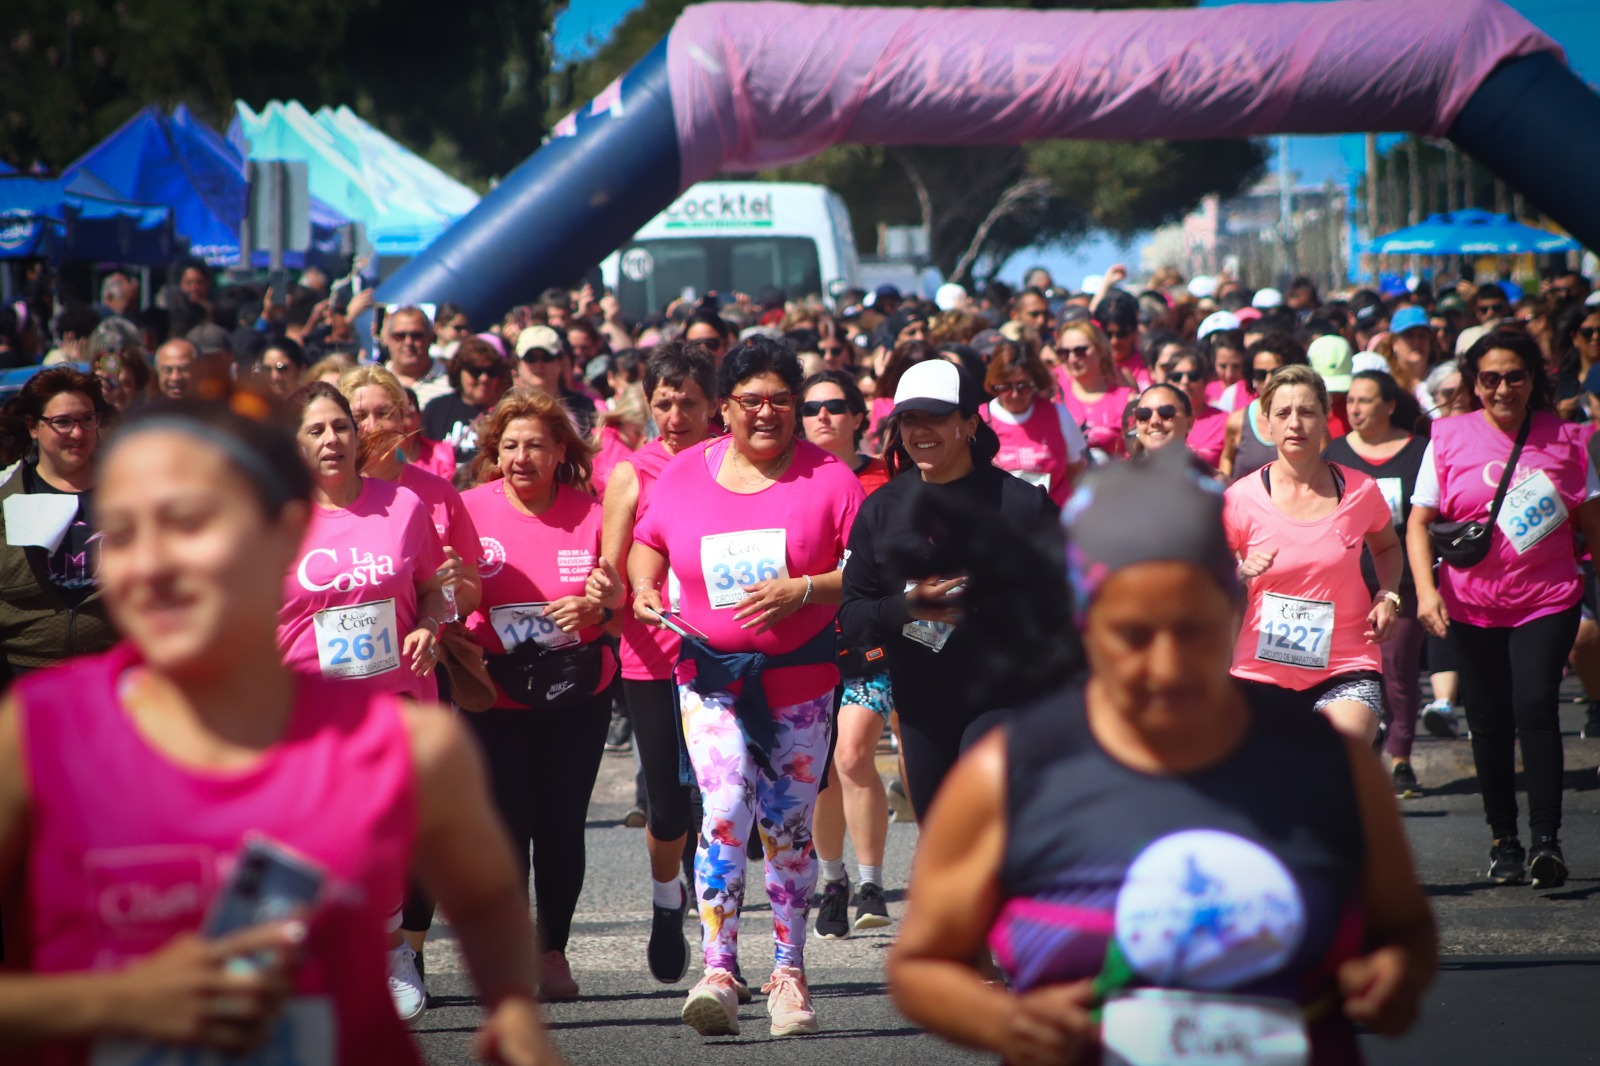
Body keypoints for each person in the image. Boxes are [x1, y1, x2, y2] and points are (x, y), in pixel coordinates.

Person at [0, 397, 564, 1066]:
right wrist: (119, 1002)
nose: (149, 564)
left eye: (187, 524)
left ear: (280, 533)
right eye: (119, 533)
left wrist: (512, 1014)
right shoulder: (37, 737)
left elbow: (488, 895)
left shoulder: (407, 748)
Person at [888, 448, 1436, 1065]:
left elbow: (1407, 932)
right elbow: (921, 966)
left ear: (1232, 610)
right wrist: (1005, 1020)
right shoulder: (1007, 775)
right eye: (1134, 633)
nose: (1167, 665)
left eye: (1194, 628)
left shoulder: (1331, 767)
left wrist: (1392, 976)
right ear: (1084, 622)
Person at [626, 336, 865, 1038]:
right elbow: (651, 542)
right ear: (724, 408)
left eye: (781, 401)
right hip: (710, 678)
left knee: (787, 828)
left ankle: (789, 971)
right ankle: (720, 970)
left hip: (802, 681)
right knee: (725, 808)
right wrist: (643, 585)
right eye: (751, 401)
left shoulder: (830, 478)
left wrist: (804, 589)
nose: (766, 413)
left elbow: (867, 571)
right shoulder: (682, 474)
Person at [1406, 327, 1600, 889]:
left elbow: (1592, 525)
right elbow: (1418, 523)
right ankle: (1504, 841)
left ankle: (1546, 841)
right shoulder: (1447, 437)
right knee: (1488, 722)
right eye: (1490, 378)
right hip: (1470, 604)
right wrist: (1426, 591)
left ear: (1532, 379)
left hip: (1546, 599)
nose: (1503, 388)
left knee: (1535, 703)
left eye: (1515, 376)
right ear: (1474, 382)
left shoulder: (1565, 439)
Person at [840, 359, 1058, 825]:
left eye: (936, 417)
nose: (921, 431)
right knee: (942, 841)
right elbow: (854, 616)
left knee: (986, 829)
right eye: (910, 419)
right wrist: (907, 608)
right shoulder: (881, 510)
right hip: (921, 705)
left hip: (1005, 699)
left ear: (970, 423)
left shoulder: (1022, 504)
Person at [457, 388, 618, 1002]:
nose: (521, 457)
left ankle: (552, 952)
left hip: (578, 691)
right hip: (495, 694)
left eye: (535, 446)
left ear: (559, 453)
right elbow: (445, 597)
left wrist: (596, 608)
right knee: (504, 826)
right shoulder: (469, 510)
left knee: (559, 825)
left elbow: (623, 613)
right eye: (510, 446)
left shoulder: (593, 514)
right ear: (495, 453)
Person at [595, 342, 719, 989]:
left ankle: (718, 952)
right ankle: (666, 902)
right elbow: (609, 573)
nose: (675, 415)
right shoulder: (631, 474)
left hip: (724, 658)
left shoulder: (733, 464)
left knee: (719, 806)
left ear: (712, 405)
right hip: (652, 661)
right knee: (668, 810)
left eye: (688, 403)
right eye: (664, 402)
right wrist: (612, 591)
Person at [1225, 365, 1403, 744]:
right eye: (1283, 414)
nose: (1295, 424)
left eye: (1307, 412)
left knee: (1334, 761)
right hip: (1261, 670)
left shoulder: (1360, 491)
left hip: (1346, 665)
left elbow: (1387, 545)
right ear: (1267, 423)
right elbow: (1204, 578)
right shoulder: (1240, 499)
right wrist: (1239, 571)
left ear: (1325, 418)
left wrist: (1388, 594)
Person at [797, 370, 895, 938]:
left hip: (872, 641)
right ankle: (832, 881)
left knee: (854, 754)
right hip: (809, 641)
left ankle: (872, 882)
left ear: (860, 416)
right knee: (820, 771)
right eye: (812, 408)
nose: (824, 417)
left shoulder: (888, 478)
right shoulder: (790, 480)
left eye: (837, 406)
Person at [1324, 370, 1432, 797]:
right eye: (1350, 400)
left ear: (1389, 405)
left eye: (1365, 400)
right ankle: (1360, 755)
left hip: (1398, 584)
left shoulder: (1418, 452)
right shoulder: (1333, 453)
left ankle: (1401, 757)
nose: (1354, 408)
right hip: (1344, 587)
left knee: (1397, 670)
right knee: (1352, 675)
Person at [0, 369, 119, 686]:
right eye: (63, 422)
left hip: (113, 674)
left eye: (86, 419)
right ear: (33, 427)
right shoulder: (6, 498)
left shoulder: (128, 495)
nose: (77, 433)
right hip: (25, 678)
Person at [979, 340, 1086, 505]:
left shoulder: (1057, 415)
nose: (1014, 395)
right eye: (1005, 387)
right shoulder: (980, 420)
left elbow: (1077, 473)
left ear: (1036, 382)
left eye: (1023, 387)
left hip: (1053, 519)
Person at [1219, 334, 1307, 481]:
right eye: (1260, 374)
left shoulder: (1308, 420)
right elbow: (1227, 460)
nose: (1268, 381)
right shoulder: (1237, 421)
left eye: (1276, 373)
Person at [423, 336, 512, 472]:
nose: (484, 378)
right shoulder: (436, 409)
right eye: (475, 371)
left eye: (491, 372)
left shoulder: (507, 413)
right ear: (459, 371)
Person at [1054, 320, 1134, 459]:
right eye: (1064, 352)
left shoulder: (1125, 399)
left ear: (1100, 349)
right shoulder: (1054, 394)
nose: (1072, 359)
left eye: (1080, 351)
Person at [1160, 347, 1229, 468]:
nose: (1185, 381)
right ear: (1168, 381)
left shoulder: (1225, 421)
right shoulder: (1155, 418)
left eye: (1193, 376)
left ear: (1204, 381)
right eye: (1177, 376)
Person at [384, 305, 451, 408]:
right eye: (400, 336)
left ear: (430, 338)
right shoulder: (375, 382)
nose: (408, 342)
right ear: (388, 339)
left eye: (416, 335)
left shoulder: (451, 380)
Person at [1128, 382, 1196, 461]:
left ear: (1189, 422)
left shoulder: (1201, 472)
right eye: (1144, 413)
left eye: (1166, 412)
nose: (1154, 421)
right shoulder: (1121, 472)